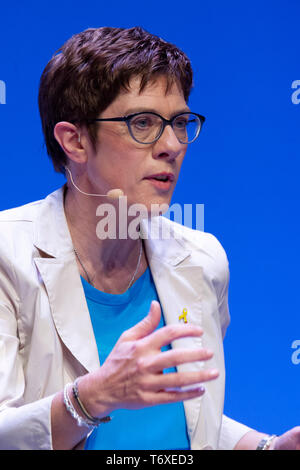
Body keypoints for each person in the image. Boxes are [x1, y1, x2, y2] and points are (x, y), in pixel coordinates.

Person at [0, 26, 299, 451]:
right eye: (142, 123)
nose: (172, 145)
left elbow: (183, 418)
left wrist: (266, 448)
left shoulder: (203, 260)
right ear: (75, 140)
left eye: (179, 123)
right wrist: (92, 398)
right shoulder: (7, 255)